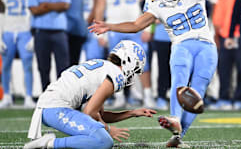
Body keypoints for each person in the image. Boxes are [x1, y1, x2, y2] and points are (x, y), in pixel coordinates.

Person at [89, 0, 241, 147]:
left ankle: (178, 136)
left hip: (206, 46)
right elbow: (137, 25)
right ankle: (175, 117)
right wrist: (110, 26)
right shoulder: (154, 3)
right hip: (181, 45)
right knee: (180, 78)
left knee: (197, 93)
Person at [24, 40, 156, 149]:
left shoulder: (105, 67)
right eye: (135, 69)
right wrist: (109, 129)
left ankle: (49, 143)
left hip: (49, 108)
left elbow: (99, 115)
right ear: (128, 61)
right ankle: (48, 144)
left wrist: (132, 113)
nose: (133, 74)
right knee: (104, 141)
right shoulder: (116, 75)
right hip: (55, 108)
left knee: (99, 136)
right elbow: (89, 112)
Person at [91, 0, 153, 108]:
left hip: (135, 27)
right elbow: (100, 7)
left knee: (143, 63)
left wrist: (148, 27)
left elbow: (148, 6)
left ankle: (147, 95)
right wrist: (100, 33)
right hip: (113, 28)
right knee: (115, 65)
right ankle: (119, 97)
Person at [28, 0, 70, 91]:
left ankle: (63, 95)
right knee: (43, 67)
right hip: (41, 32)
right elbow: (35, 10)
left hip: (59, 33)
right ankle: (46, 95)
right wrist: (55, 6)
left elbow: (65, 5)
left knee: (63, 67)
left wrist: (46, 5)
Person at [0, 0, 36, 108]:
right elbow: (0, 13)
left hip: (25, 31)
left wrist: (34, 36)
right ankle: (7, 95)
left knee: (27, 65)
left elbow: (35, 13)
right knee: (5, 65)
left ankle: (28, 96)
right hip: (7, 31)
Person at [210, 0, 241, 110]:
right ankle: (224, 97)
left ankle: (239, 98)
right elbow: (217, 17)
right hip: (225, 35)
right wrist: (217, 34)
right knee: (224, 69)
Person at [57, 0, 87, 65]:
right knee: (74, 64)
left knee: (66, 66)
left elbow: (70, 14)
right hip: (80, 30)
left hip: (70, 31)